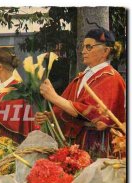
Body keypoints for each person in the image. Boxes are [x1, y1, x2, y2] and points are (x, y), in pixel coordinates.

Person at [35, 27, 126, 159]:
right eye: (83, 46)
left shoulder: (111, 77)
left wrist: (54, 97)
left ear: (105, 51)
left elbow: (91, 113)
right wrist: (51, 116)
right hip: (79, 143)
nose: (83, 51)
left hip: (99, 146)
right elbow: (69, 107)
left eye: (89, 47)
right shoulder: (82, 76)